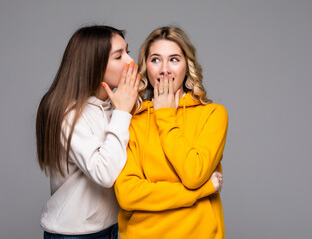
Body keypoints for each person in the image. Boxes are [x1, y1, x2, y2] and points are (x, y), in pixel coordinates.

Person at [114, 26, 228, 238]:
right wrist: (204, 190)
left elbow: (193, 175)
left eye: (174, 59)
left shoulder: (213, 114)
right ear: (145, 67)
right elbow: (128, 195)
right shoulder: (131, 121)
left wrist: (165, 116)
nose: (164, 69)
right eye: (155, 59)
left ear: (187, 66)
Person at [36, 25, 140, 239]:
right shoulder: (68, 113)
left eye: (127, 52)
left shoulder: (118, 105)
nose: (131, 62)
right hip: (74, 234)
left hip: (113, 227)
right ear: (94, 64)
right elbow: (104, 173)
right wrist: (122, 113)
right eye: (118, 56)